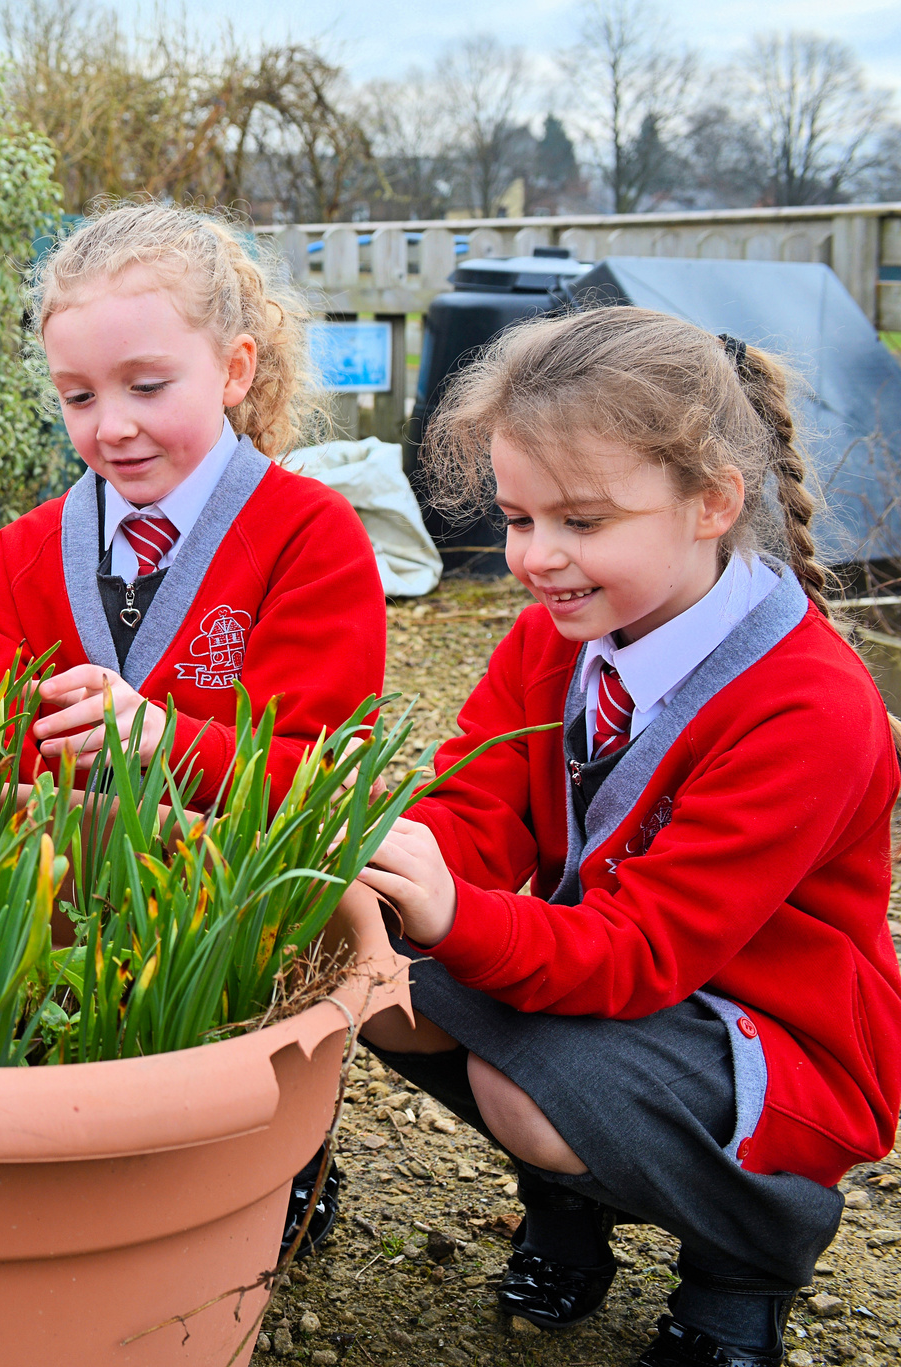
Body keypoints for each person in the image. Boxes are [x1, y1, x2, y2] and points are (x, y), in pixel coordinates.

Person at [359, 307, 901, 1367]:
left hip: (774, 1041)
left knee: (525, 1086)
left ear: (712, 503)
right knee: (366, 968)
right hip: (621, 989)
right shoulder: (557, 637)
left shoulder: (807, 708)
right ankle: (572, 1194)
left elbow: (644, 945)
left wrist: (453, 913)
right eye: (517, 518)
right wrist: (395, 871)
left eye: (581, 520)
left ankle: (750, 1249)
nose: (535, 557)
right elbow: (477, 809)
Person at [0, 201, 387, 1255]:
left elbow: (322, 778)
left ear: (234, 369)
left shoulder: (308, 536)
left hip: (237, 926)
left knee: (231, 1038)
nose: (112, 425)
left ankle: (280, 1147)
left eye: (147, 386)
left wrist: (162, 739)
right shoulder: (28, 548)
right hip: (61, 906)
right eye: (78, 395)